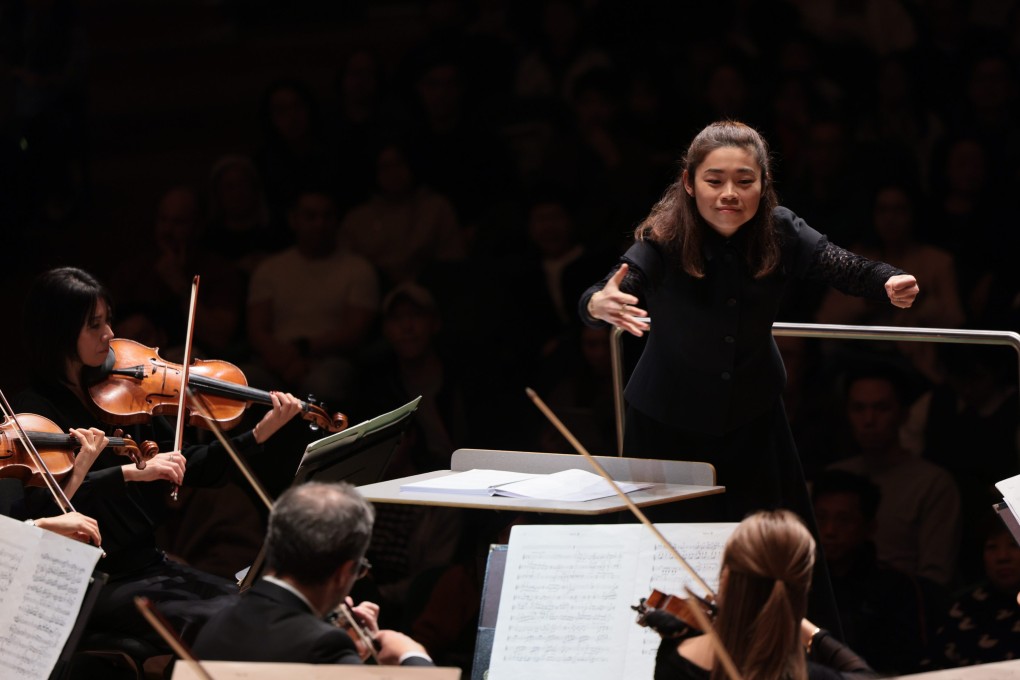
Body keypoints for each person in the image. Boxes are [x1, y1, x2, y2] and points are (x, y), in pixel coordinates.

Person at [580, 120, 918, 633]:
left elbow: (839, 264)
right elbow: (611, 286)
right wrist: (597, 303)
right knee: (666, 554)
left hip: (752, 416)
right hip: (666, 422)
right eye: (715, 181)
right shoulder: (665, 234)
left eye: (745, 180)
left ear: (764, 182)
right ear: (690, 183)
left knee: (771, 549)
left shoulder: (781, 229)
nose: (730, 194)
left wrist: (885, 280)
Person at [12, 266, 304, 651]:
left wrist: (259, 433)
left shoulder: (121, 393)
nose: (110, 335)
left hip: (151, 565)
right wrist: (128, 474)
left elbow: (187, 465)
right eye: (94, 325)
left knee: (260, 608)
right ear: (60, 332)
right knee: (226, 627)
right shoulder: (34, 415)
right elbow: (37, 514)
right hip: (98, 581)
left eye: (108, 320)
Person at [192, 481, 434, 666]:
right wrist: (412, 656)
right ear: (344, 572)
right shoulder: (325, 647)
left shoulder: (217, 622)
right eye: (359, 570)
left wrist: (351, 655)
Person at [652, 509, 875, 680]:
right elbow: (863, 675)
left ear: (726, 578)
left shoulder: (673, 662)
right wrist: (801, 625)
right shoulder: (809, 676)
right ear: (801, 591)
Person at [828, 364, 961, 586]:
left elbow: (936, 578)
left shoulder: (933, 483)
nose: (869, 420)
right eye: (858, 408)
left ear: (904, 413)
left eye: (881, 408)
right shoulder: (834, 477)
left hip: (902, 608)